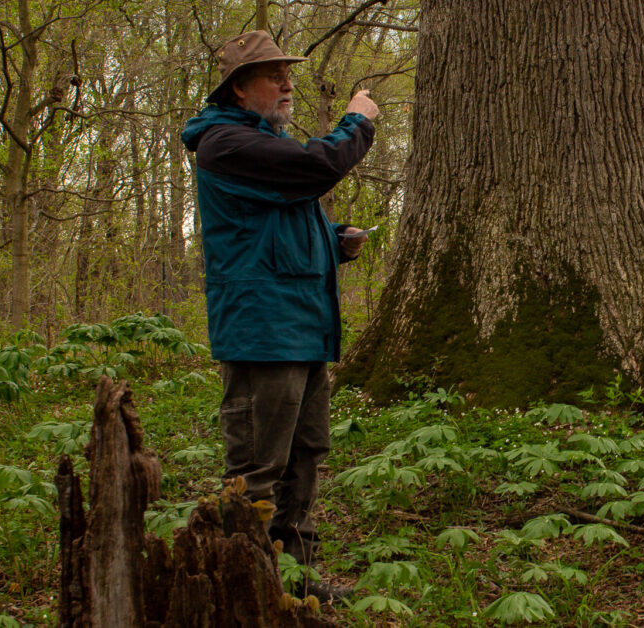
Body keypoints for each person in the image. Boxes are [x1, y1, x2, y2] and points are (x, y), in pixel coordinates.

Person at [181, 30, 378, 602]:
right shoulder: (226, 143)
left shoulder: (259, 143)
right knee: (256, 466)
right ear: (240, 89)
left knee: (305, 454)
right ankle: (243, 583)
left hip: (302, 327)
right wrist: (357, 122)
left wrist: (334, 240)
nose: (288, 84)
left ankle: (296, 576)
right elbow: (318, 167)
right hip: (262, 331)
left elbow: (278, 218)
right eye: (274, 75)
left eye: (287, 73)